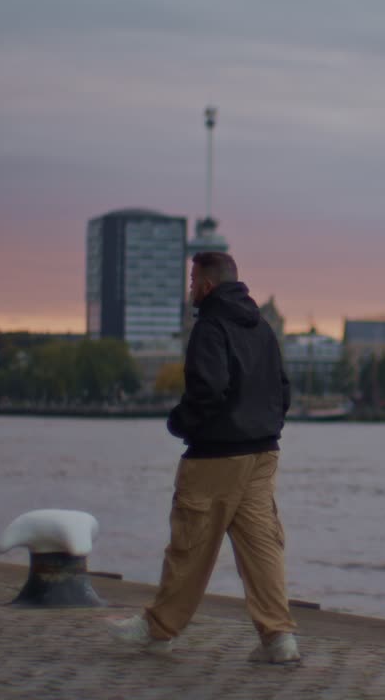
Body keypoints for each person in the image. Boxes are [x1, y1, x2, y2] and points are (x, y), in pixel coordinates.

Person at [107, 251, 299, 664]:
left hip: (216, 455)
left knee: (190, 545)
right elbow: (283, 389)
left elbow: (207, 390)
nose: (190, 288)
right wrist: (265, 425)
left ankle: (157, 631)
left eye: (193, 280)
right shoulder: (262, 327)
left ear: (207, 284)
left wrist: (182, 424)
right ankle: (279, 639)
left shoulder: (210, 327)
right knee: (262, 546)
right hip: (263, 452)